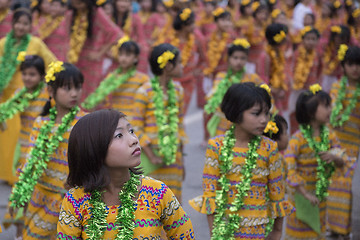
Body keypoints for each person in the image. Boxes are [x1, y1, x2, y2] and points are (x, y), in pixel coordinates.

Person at [56, 109, 195, 239]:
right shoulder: (75, 201)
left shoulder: (157, 192)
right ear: (94, 149)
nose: (134, 140)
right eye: (119, 135)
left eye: (131, 131)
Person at [189, 82, 294, 239]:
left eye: (266, 113)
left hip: (258, 231)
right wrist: (214, 234)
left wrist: (277, 232)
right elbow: (210, 196)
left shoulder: (269, 148)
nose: (264, 120)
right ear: (237, 113)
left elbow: (277, 194)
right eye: (256, 114)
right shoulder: (216, 146)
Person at [8, 62, 86, 239]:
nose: (74, 93)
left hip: (67, 199)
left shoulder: (85, 123)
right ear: (51, 91)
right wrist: (19, 194)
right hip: (39, 196)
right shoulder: (41, 123)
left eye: (78, 87)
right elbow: (30, 163)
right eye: (67, 88)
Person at [0, 8, 56, 185]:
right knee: (7, 135)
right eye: (18, 23)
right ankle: (9, 173)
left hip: (29, 95)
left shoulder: (36, 43)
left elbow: (52, 63)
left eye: (25, 23)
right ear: (12, 24)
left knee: (21, 133)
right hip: (6, 96)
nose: (21, 27)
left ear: (30, 26)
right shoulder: (2, 44)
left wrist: (47, 83)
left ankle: (20, 174)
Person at [284, 84, 347, 239]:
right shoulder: (297, 139)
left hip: (319, 198)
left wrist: (335, 157)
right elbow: (289, 169)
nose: (330, 109)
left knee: (317, 232)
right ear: (311, 112)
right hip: (300, 197)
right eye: (326, 106)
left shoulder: (330, 136)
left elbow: (342, 161)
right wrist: (305, 193)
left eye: (330, 105)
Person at [132, 43, 187, 202]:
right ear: (168, 66)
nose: (183, 66)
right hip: (151, 160)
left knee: (173, 206)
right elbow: (135, 127)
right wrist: (152, 156)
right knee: (151, 205)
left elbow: (180, 127)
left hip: (173, 159)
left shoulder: (178, 91)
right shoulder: (144, 92)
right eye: (180, 62)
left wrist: (182, 161)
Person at [1, 55, 48, 239]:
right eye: (25, 74)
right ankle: (20, 234)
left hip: (42, 150)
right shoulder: (19, 94)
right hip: (22, 152)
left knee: (37, 193)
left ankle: (37, 231)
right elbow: (4, 114)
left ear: (42, 76)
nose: (28, 78)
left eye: (33, 74)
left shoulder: (48, 94)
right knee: (21, 194)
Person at [327, 45, 360, 240]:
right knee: (336, 186)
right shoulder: (337, 87)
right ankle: (336, 228)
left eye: (359, 65)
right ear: (344, 66)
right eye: (351, 64)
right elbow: (330, 114)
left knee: (349, 188)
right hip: (337, 143)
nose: (355, 69)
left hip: (356, 144)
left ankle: (346, 230)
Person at [204, 38, 263, 140]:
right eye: (235, 58)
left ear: (247, 59)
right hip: (223, 124)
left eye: (242, 58)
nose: (238, 62)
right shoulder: (221, 77)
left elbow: (266, 98)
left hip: (246, 126)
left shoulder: (253, 78)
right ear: (229, 58)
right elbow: (213, 97)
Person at [82, 37, 149, 118]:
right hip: (117, 118)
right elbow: (100, 97)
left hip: (135, 120)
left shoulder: (143, 79)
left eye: (127, 55)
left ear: (136, 58)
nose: (123, 58)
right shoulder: (112, 77)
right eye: (121, 54)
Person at [155, 7, 206, 114]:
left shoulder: (197, 38)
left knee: (180, 113)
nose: (194, 26)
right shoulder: (169, 38)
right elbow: (160, 59)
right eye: (191, 23)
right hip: (170, 81)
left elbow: (204, 60)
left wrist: (197, 70)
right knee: (167, 112)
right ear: (183, 25)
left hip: (188, 82)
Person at [69, 0, 121, 101]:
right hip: (75, 60)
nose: (77, 6)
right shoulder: (72, 13)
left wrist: (99, 53)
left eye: (79, 3)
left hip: (91, 62)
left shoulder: (96, 13)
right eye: (74, 3)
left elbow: (116, 34)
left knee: (87, 96)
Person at [289, 26, 322, 133]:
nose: (310, 42)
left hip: (311, 89)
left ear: (317, 41)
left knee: (309, 111)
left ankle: (307, 133)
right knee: (295, 110)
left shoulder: (317, 55)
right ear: (302, 40)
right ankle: (294, 133)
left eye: (313, 39)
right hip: (297, 89)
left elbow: (320, 71)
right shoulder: (297, 53)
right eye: (308, 39)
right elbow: (290, 69)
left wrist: (317, 85)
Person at [257, 23, 290, 113]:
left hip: (277, 93)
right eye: (284, 36)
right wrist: (276, 91)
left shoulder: (278, 52)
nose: (287, 38)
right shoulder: (265, 56)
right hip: (269, 95)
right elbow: (263, 80)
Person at [112, 0, 148, 73]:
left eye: (126, 1)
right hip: (109, 54)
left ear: (130, 4)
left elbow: (141, 39)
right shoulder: (109, 16)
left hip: (129, 53)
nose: (123, 4)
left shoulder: (135, 18)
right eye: (120, 1)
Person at [321, 25, 350, 93]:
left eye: (343, 38)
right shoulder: (326, 47)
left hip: (341, 78)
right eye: (338, 37)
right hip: (326, 77)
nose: (340, 40)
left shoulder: (348, 50)